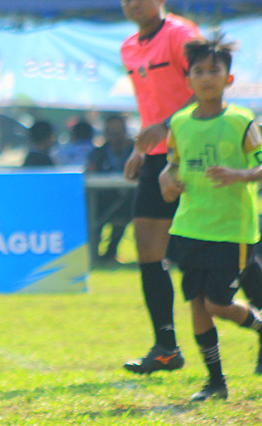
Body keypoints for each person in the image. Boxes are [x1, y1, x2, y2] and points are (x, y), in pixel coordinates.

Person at [158, 36, 262, 400]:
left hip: (232, 230)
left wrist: (240, 174)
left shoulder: (241, 121)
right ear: (188, 81)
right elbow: (172, 164)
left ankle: (259, 324)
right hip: (189, 227)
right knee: (197, 304)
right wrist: (166, 180)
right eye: (198, 71)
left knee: (217, 303)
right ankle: (215, 382)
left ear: (228, 80)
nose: (206, 77)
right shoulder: (180, 123)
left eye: (214, 70)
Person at [118, 0, 200, 374]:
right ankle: (166, 347)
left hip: (193, 155)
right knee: (148, 250)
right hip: (156, 158)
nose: (132, 3)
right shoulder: (128, 46)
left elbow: (206, 89)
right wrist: (141, 148)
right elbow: (148, 107)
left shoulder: (182, 35)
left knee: (220, 251)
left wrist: (167, 127)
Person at [87, 114, 136, 264]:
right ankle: (95, 256)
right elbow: (90, 171)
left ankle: (111, 253)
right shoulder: (99, 152)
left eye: (119, 132)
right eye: (111, 133)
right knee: (94, 214)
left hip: (131, 198)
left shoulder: (134, 151)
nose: (115, 137)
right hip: (104, 198)